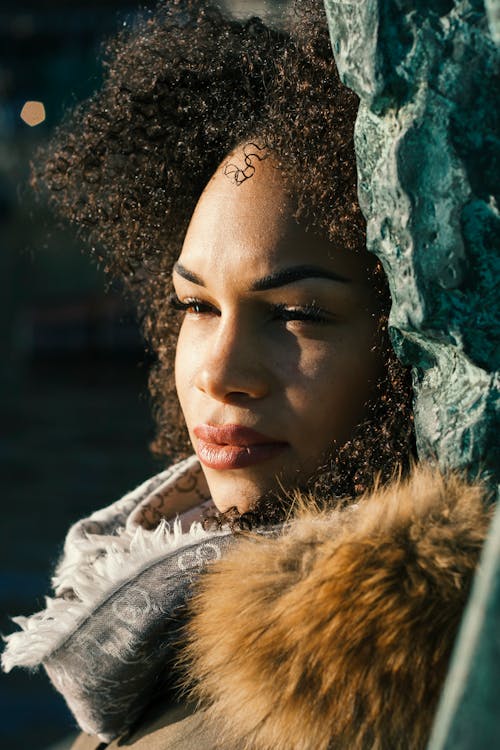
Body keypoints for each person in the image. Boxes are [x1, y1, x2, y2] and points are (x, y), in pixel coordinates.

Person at [2, 2, 491, 749]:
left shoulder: (355, 692)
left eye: (296, 313)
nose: (220, 373)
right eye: (196, 305)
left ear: (409, 338)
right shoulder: (150, 611)